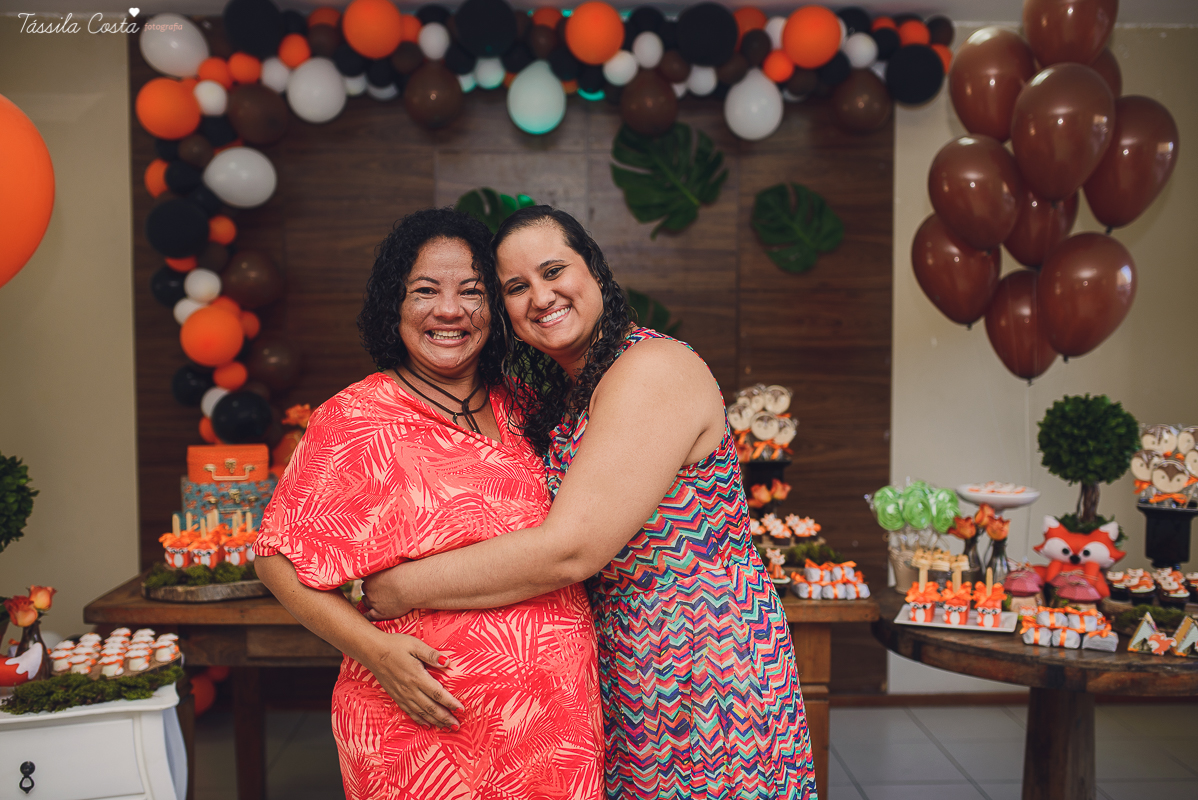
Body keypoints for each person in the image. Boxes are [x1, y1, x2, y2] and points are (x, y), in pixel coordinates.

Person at [361, 206, 819, 800]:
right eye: (517, 288)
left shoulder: (651, 368)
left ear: (595, 271)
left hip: (701, 667)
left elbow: (571, 550)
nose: (541, 296)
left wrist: (395, 590)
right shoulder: (569, 389)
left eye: (555, 271)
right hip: (622, 664)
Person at [253, 208, 602, 800]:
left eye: (471, 291)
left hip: (555, 728)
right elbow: (276, 560)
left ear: (494, 307)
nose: (449, 310)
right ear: (395, 306)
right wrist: (377, 652)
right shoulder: (355, 418)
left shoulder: (527, 406)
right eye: (425, 292)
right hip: (421, 730)